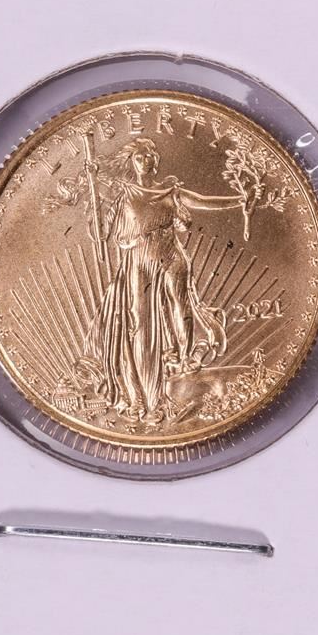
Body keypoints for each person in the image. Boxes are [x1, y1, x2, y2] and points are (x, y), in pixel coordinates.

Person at [75, 138, 249, 425]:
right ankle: (143, 390)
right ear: (132, 162)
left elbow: (203, 202)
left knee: (181, 306)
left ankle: (184, 359)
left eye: (149, 156)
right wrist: (93, 185)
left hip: (170, 253)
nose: (145, 160)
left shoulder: (171, 191)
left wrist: (240, 200)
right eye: (139, 157)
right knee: (138, 322)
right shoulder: (123, 193)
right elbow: (101, 230)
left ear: (156, 161)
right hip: (138, 259)